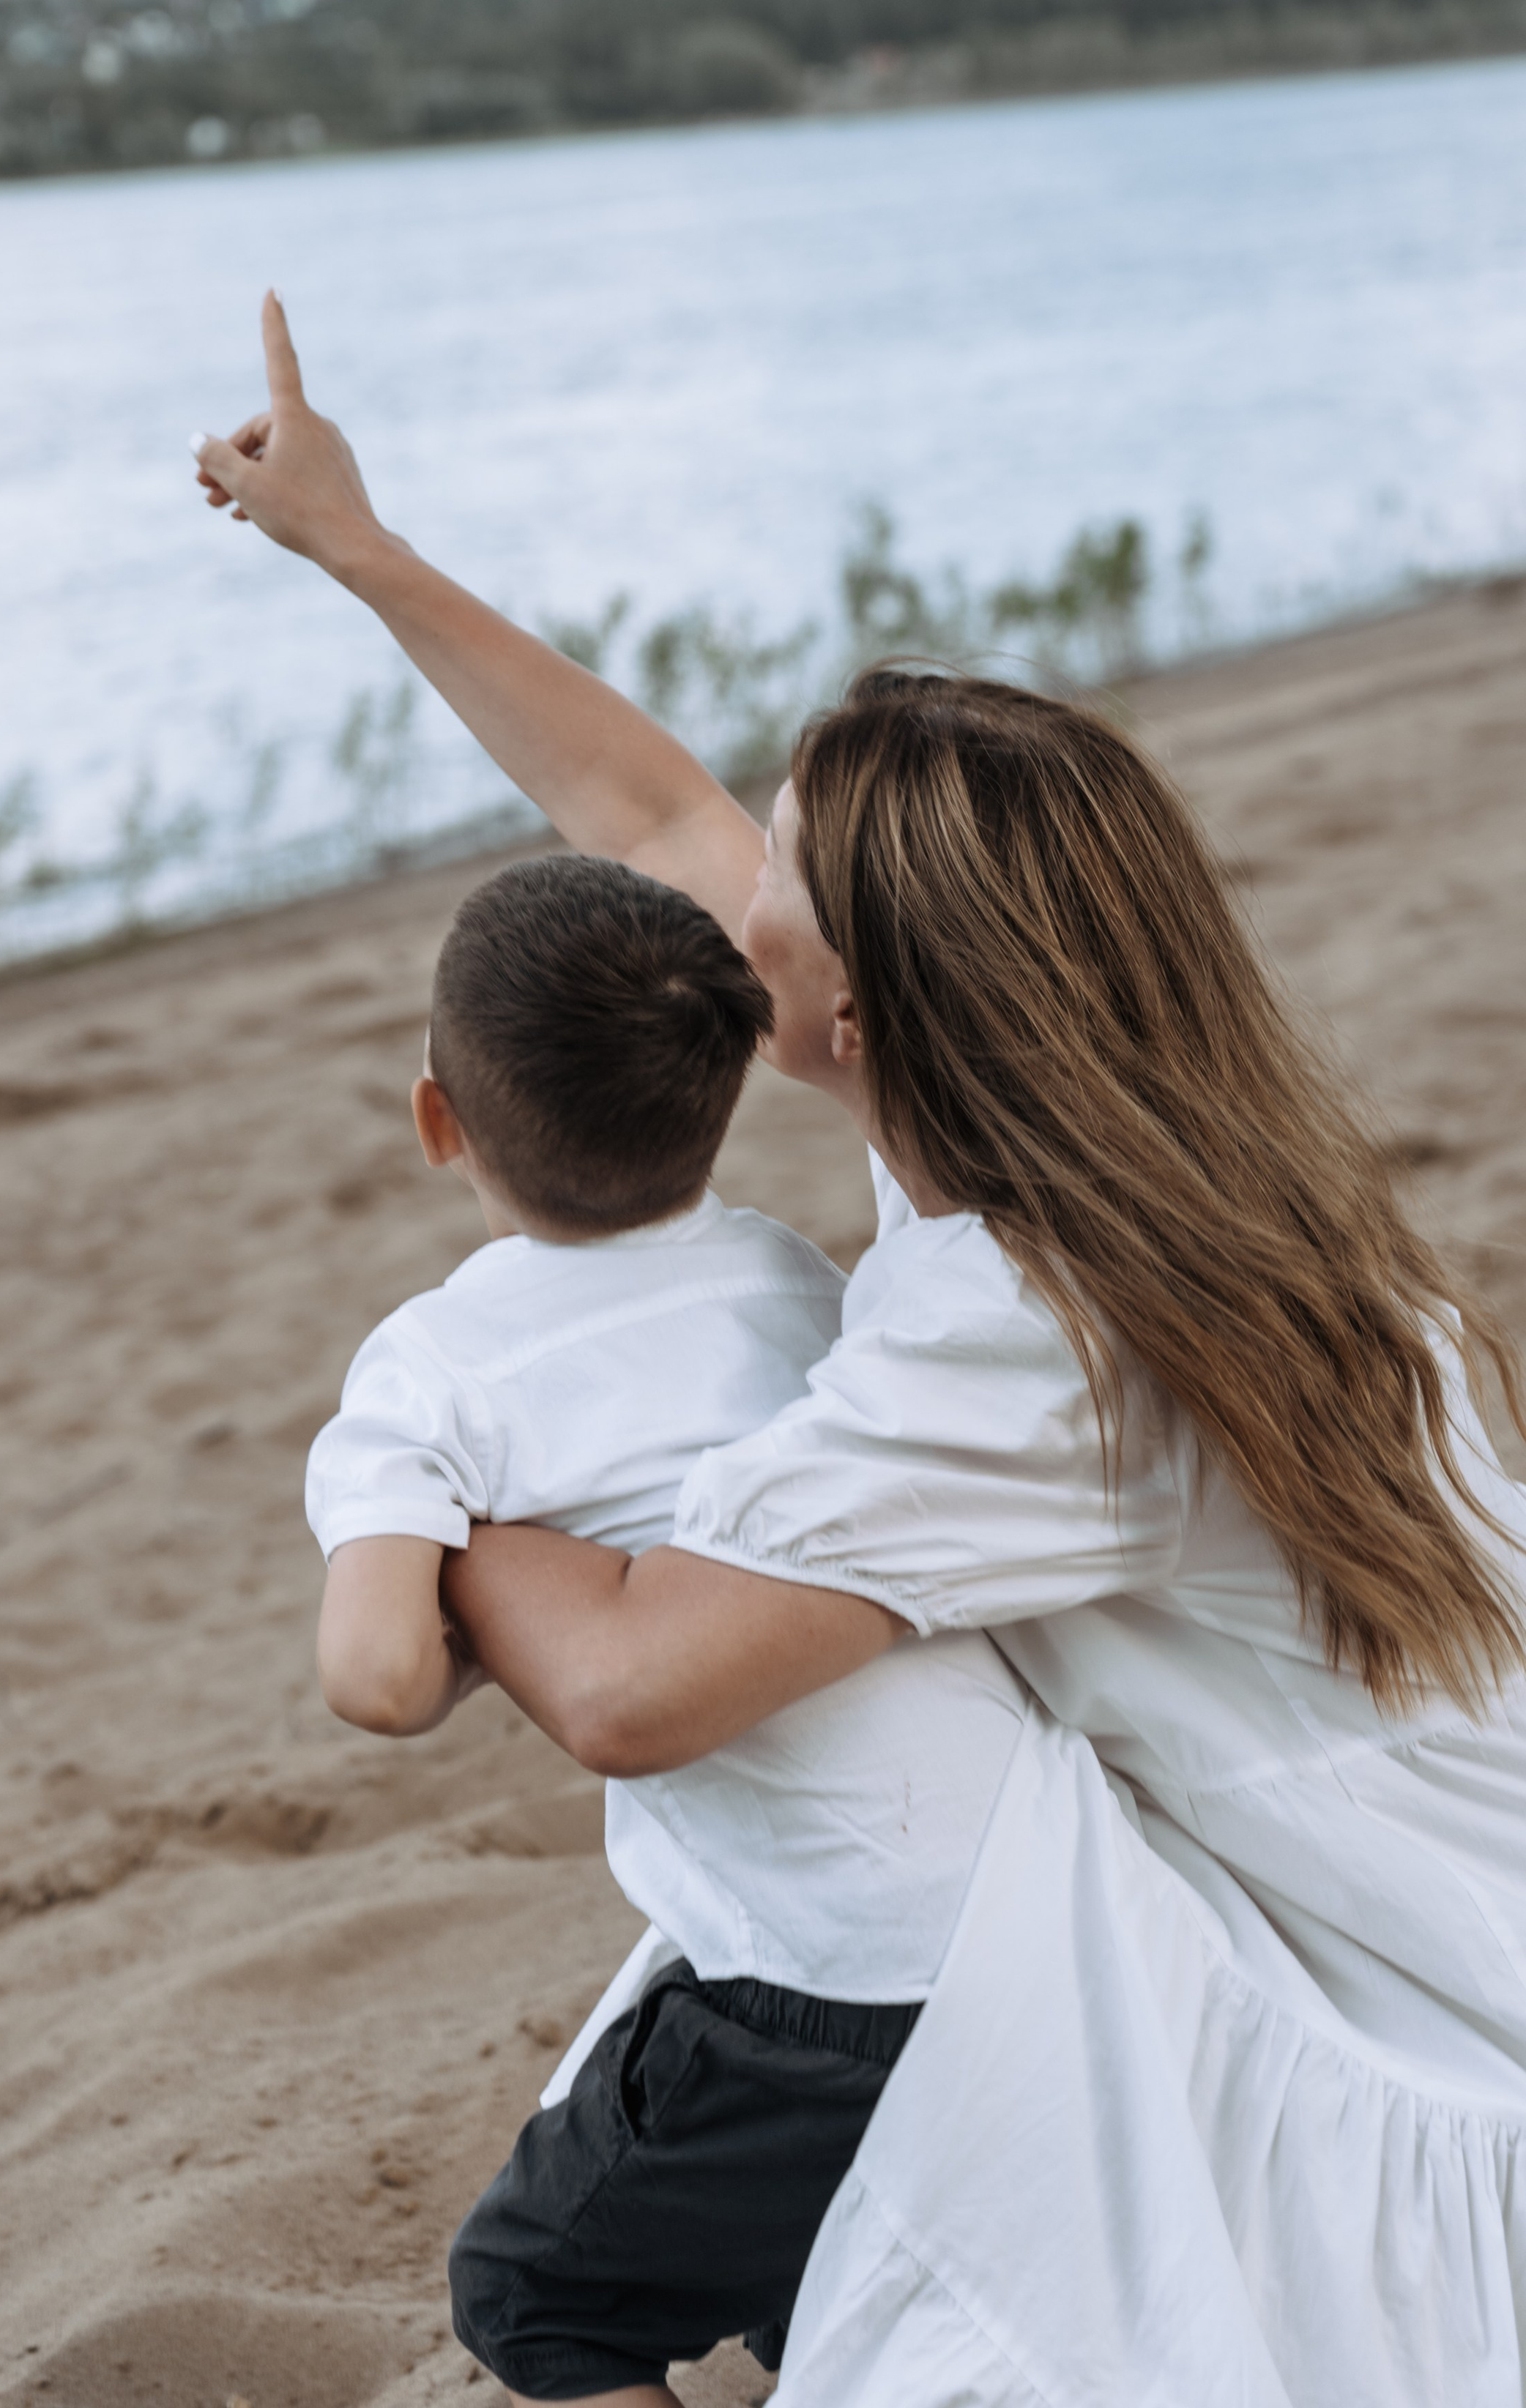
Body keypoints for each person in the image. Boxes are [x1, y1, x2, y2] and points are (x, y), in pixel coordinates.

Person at [193, 298, 1526, 2404]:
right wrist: (356, 544)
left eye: (785, 884)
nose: (736, 899)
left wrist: (437, 1480)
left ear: (860, 1018)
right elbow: (640, 808)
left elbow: (628, 1688)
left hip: (1399, 1998)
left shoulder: (1030, 1341)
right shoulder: (1133, 1152)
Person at [305, 851, 1027, 2402]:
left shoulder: (432, 1367)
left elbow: (372, 1677)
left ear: (440, 1121)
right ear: (718, 1090)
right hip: (1027, 1907)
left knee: (531, 2292)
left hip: (824, 1979)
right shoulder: (785, 1267)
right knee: (806, 2278)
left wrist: (486, 1589)